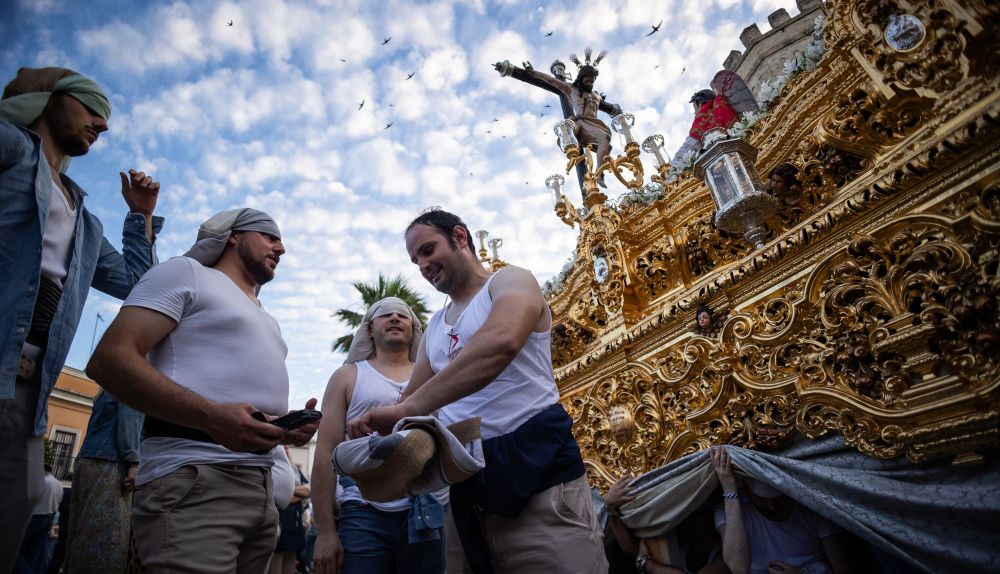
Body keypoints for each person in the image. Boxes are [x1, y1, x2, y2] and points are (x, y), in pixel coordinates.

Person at [347, 209, 607, 573]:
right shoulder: (436, 325)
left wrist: (411, 406)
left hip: (537, 468)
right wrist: (373, 425)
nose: (422, 265)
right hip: (466, 481)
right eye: (415, 259)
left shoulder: (511, 282)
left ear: (460, 237)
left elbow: (501, 342)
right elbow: (407, 402)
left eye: (427, 250)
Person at [85, 207, 319, 573]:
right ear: (233, 236)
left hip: (262, 491)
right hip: (194, 481)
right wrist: (211, 417)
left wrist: (285, 429)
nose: (282, 248)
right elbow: (109, 360)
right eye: (270, 236)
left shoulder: (266, 316)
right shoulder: (185, 273)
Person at [0, 66, 163, 572]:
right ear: (51, 99)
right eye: (93, 108)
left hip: (31, 381)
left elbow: (140, 282)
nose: (104, 125)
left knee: (19, 500)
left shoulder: (83, 219)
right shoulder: (11, 148)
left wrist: (138, 217)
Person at [313, 297, 448, 574]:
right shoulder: (347, 376)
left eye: (403, 315)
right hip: (363, 511)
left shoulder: (435, 378)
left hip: (427, 509)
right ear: (369, 329)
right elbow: (325, 453)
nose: (395, 318)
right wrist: (325, 532)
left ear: (414, 328)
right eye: (385, 314)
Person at [710, 447, 856, 574]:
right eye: (762, 500)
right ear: (746, 492)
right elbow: (738, 568)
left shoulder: (811, 507)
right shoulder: (729, 509)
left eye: (779, 500)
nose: (772, 507)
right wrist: (729, 488)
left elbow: (844, 568)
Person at [495, 54, 621, 188]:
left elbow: (611, 108)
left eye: (592, 81)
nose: (590, 83)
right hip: (579, 121)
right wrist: (532, 73)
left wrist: (616, 111)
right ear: (581, 78)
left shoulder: (597, 96)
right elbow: (550, 80)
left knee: (606, 139)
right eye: (587, 81)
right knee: (567, 128)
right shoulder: (570, 88)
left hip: (593, 125)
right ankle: (568, 146)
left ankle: (600, 174)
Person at [65, 389, 143, 572]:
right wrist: (134, 461)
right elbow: (130, 419)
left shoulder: (107, 385)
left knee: (81, 538)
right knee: (106, 542)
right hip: (110, 463)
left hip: (87, 461)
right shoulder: (130, 376)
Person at [605, 475, 728, 574]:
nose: (688, 522)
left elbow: (640, 556)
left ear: (708, 515)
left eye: (695, 516)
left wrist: (647, 564)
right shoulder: (680, 545)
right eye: (685, 517)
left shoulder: (723, 556)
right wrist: (610, 508)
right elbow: (629, 547)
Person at [16, 464, 63, 573]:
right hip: (50, 518)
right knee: (36, 551)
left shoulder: (43, 482)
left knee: (20, 550)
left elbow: (31, 500)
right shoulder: (58, 484)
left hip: (37, 517)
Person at [270, 448, 311, 574]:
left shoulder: (295, 469)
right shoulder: (271, 464)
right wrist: (296, 493)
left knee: (290, 566)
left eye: (287, 446)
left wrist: (287, 492)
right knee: (274, 564)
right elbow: (272, 491)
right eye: (284, 446)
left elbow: (309, 490)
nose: (286, 448)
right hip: (278, 520)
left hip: (293, 523)